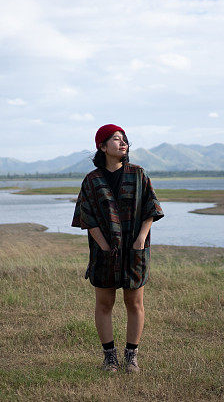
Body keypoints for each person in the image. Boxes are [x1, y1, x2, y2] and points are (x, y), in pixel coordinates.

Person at [71, 124, 164, 373]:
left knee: (134, 302)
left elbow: (150, 208)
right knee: (104, 303)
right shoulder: (92, 180)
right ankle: (109, 357)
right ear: (102, 146)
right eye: (115, 139)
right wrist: (103, 245)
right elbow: (85, 216)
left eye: (124, 139)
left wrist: (140, 240)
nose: (122, 143)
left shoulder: (138, 174)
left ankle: (131, 355)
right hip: (104, 251)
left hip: (135, 248)